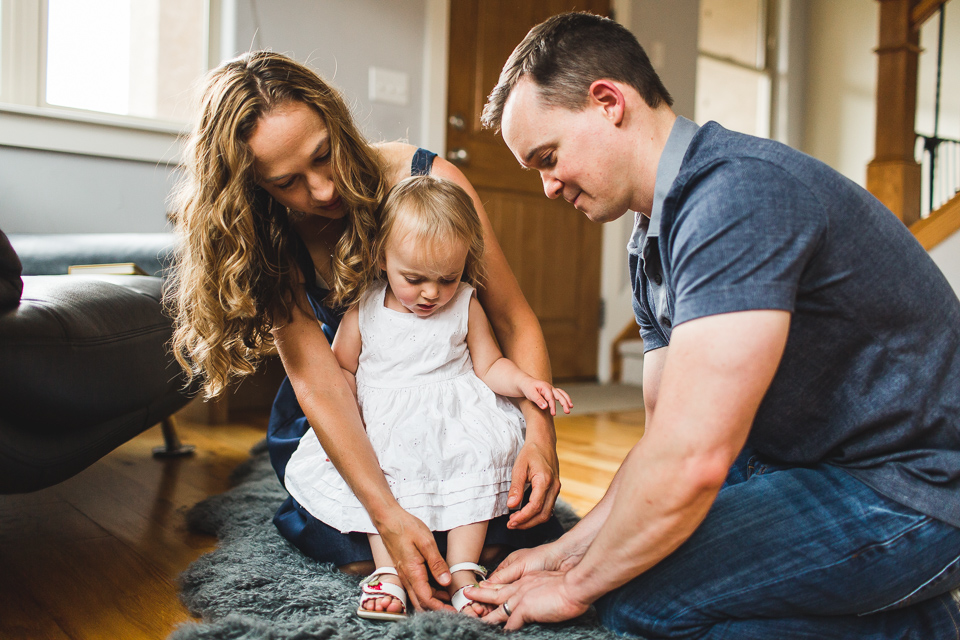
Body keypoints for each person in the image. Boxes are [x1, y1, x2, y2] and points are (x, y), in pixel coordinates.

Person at [465, 12, 960, 638]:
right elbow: (663, 442)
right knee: (621, 569)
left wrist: (571, 587)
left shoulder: (738, 196)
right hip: (802, 462)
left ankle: (921, 628)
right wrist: (562, 553)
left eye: (548, 156)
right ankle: (896, 605)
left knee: (634, 604)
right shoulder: (649, 240)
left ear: (608, 102)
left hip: (916, 490)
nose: (547, 187)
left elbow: (693, 459)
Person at [168, 51, 566, 613]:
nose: (324, 190)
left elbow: (512, 318)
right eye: (288, 183)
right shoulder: (268, 235)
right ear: (256, 189)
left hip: (449, 395)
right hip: (348, 405)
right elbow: (322, 383)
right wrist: (386, 513)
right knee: (367, 550)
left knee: (493, 527)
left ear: (335, 122)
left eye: (324, 155)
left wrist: (539, 437)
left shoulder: (429, 182)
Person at [285, 175, 572, 619]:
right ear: (382, 257)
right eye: (415, 278)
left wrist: (527, 386)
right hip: (387, 416)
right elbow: (340, 368)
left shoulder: (466, 304)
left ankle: (463, 569)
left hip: (455, 415)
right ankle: (389, 572)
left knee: (476, 456)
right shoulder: (365, 307)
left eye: (448, 278)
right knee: (380, 471)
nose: (433, 293)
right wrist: (342, 423)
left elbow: (491, 366)